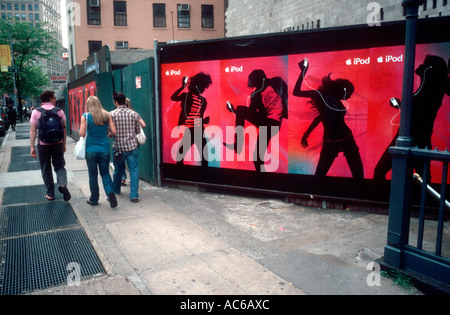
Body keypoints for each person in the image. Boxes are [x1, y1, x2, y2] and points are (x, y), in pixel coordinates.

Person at [374, 55, 450, 181]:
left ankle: (388, 198)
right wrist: (400, 104)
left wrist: (399, 104)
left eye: (426, 65)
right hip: (418, 136)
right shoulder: (433, 88)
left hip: (413, 136)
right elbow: (416, 107)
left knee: (381, 170)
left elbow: (417, 106)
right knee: (424, 176)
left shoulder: (430, 85)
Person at [292, 59, 364, 180]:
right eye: (349, 93)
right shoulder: (321, 94)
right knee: (319, 176)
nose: (350, 96)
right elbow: (296, 92)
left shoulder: (337, 100)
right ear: (343, 90)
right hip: (330, 142)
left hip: (347, 139)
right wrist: (303, 71)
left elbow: (321, 117)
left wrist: (306, 134)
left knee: (358, 176)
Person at [224, 69, 288, 172]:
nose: (256, 87)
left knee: (241, 109)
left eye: (257, 84)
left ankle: (238, 145)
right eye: (254, 85)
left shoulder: (276, 82)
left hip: (273, 124)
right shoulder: (254, 96)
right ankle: (262, 180)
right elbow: (249, 114)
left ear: (262, 79)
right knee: (257, 159)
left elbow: (285, 96)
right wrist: (233, 111)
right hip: (265, 125)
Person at [30, 90, 71, 201]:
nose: (55, 99)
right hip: (57, 143)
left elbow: (33, 130)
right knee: (59, 166)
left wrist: (32, 147)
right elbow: (64, 129)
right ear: (50, 99)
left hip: (43, 145)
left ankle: (50, 193)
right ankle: (62, 185)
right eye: (54, 98)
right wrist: (63, 144)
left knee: (45, 168)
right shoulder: (59, 111)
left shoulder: (36, 112)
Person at [79, 96, 117, 208]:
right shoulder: (106, 115)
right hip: (104, 149)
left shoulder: (85, 116)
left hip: (90, 150)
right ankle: (110, 193)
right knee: (105, 173)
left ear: (88, 105)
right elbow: (114, 131)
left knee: (93, 174)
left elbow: (81, 133)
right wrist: (107, 135)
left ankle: (94, 199)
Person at [171, 72, 212, 167]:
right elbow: (173, 97)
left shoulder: (203, 101)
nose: (204, 89)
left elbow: (199, 117)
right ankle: (182, 175)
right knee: (179, 156)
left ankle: (204, 177)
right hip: (189, 131)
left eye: (205, 87)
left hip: (199, 131)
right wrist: (182, 87)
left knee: (204, 157)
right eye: (203, 87)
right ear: (197, 85)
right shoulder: (186, 96)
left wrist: (204, 120)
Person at [110, 92, 145, 203]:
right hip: (132, 147)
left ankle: (116, 190)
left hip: (119, 148)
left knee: (117, 171)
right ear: (124, 101)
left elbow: (110, 132)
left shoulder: (111, 114)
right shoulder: (134, 114)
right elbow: (138, 130)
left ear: (116, 102)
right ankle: (134, 195)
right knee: (134, 171)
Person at [117, 98, 146, 186]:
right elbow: (143, 125)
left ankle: (122, 178)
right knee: (133, 167)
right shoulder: (135, 114)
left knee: (120, 163)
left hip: (121, 143)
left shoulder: (116, 114)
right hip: (133, 143)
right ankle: (134, 189)